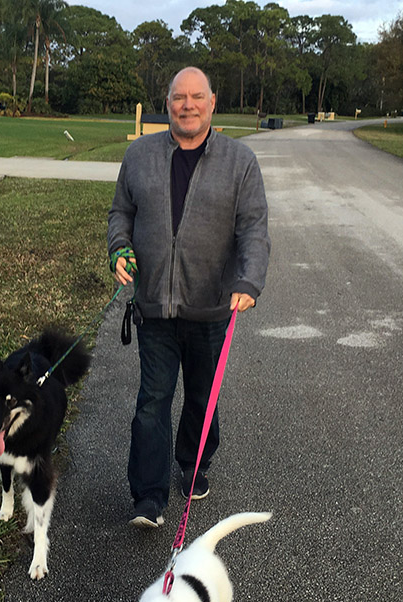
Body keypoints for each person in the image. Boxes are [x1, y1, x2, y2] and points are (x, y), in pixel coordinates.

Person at [108, 67, 271, 528]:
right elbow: (121, 211)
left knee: (202, 396)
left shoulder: (240, 162)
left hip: (213, 308)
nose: (188, 105)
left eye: (197, 96)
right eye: (179, 97)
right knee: (152, 400)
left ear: (212, 102)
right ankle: (148, 496)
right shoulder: (139, 155)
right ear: (167, 102)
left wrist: (248, 281)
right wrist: (119, 246)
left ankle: (195, 465)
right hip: (154, 305)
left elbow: (253, 230)